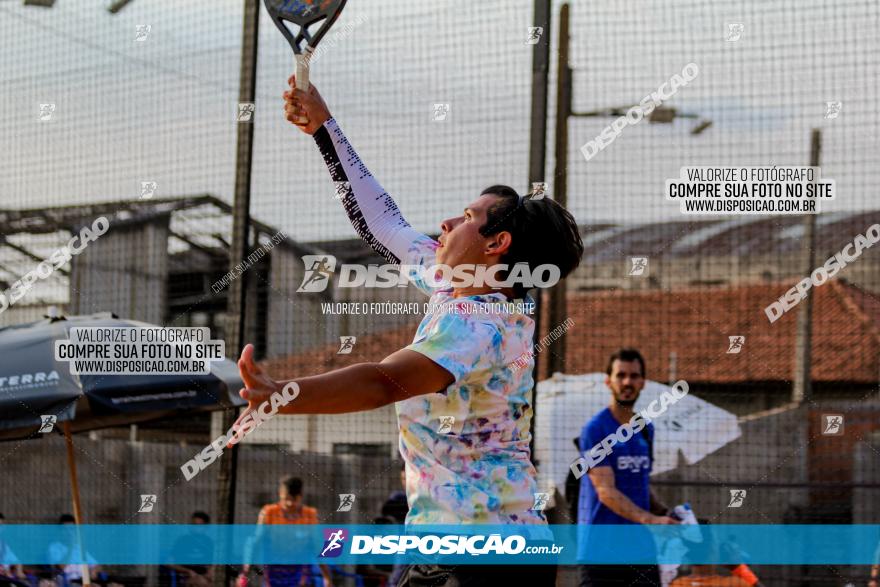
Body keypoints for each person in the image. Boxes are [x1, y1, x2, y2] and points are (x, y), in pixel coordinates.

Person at [230, 74, 584, 587]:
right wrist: (324, 128)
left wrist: (284, 395)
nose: (445, 222)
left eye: (466, 216)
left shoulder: (479, 325)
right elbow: (382, 224)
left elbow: (381, 382)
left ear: (495, 243)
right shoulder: (457, 286)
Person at [577, 349, 677, 586]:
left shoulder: (645, 429)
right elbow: (606, 491)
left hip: (641, 551)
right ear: (608, 381)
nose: (627, 382)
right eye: (620, 375)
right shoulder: (596, 430)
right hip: (601, 552)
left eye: (634, 376)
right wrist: (651, 520)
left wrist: (664, 512)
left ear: (643, 382)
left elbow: (640, 484)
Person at [241, 476, 332, 587]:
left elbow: (318, 547)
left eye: (294, 499)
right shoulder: (269, 512)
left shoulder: (310, 515)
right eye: (286, 499)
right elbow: (255, 541)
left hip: (300, 569)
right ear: (280, 494)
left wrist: (326, 577)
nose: (289, 503)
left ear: (301, 497)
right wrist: (245, 571)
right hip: (273, 569)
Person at [46, 515, 102, 586]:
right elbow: (61, 567)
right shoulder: (54, 547)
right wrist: (71, 546)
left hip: (84, 582)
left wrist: (94, 571)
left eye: (71, 529)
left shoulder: (79, 548)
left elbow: (96, 565)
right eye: (65, 529)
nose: (68, 532)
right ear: (60, 531)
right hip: (68, 583)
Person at [162, 512, 214, 587]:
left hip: (203, 575)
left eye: (199, 525)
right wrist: (187, 571)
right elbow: (168, 562)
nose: (194, 527)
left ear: (206, 527)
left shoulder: (208, 542)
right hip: (186, 576)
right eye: (193, 524)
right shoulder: (183, 541)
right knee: (203, 583)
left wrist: (210, 571)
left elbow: (211, 563)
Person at [0, 514, 27, 587]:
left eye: (1, 525)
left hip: (6, 579)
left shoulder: (3, 545)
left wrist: (19, 571)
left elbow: (16, 561)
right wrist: (4, 571)